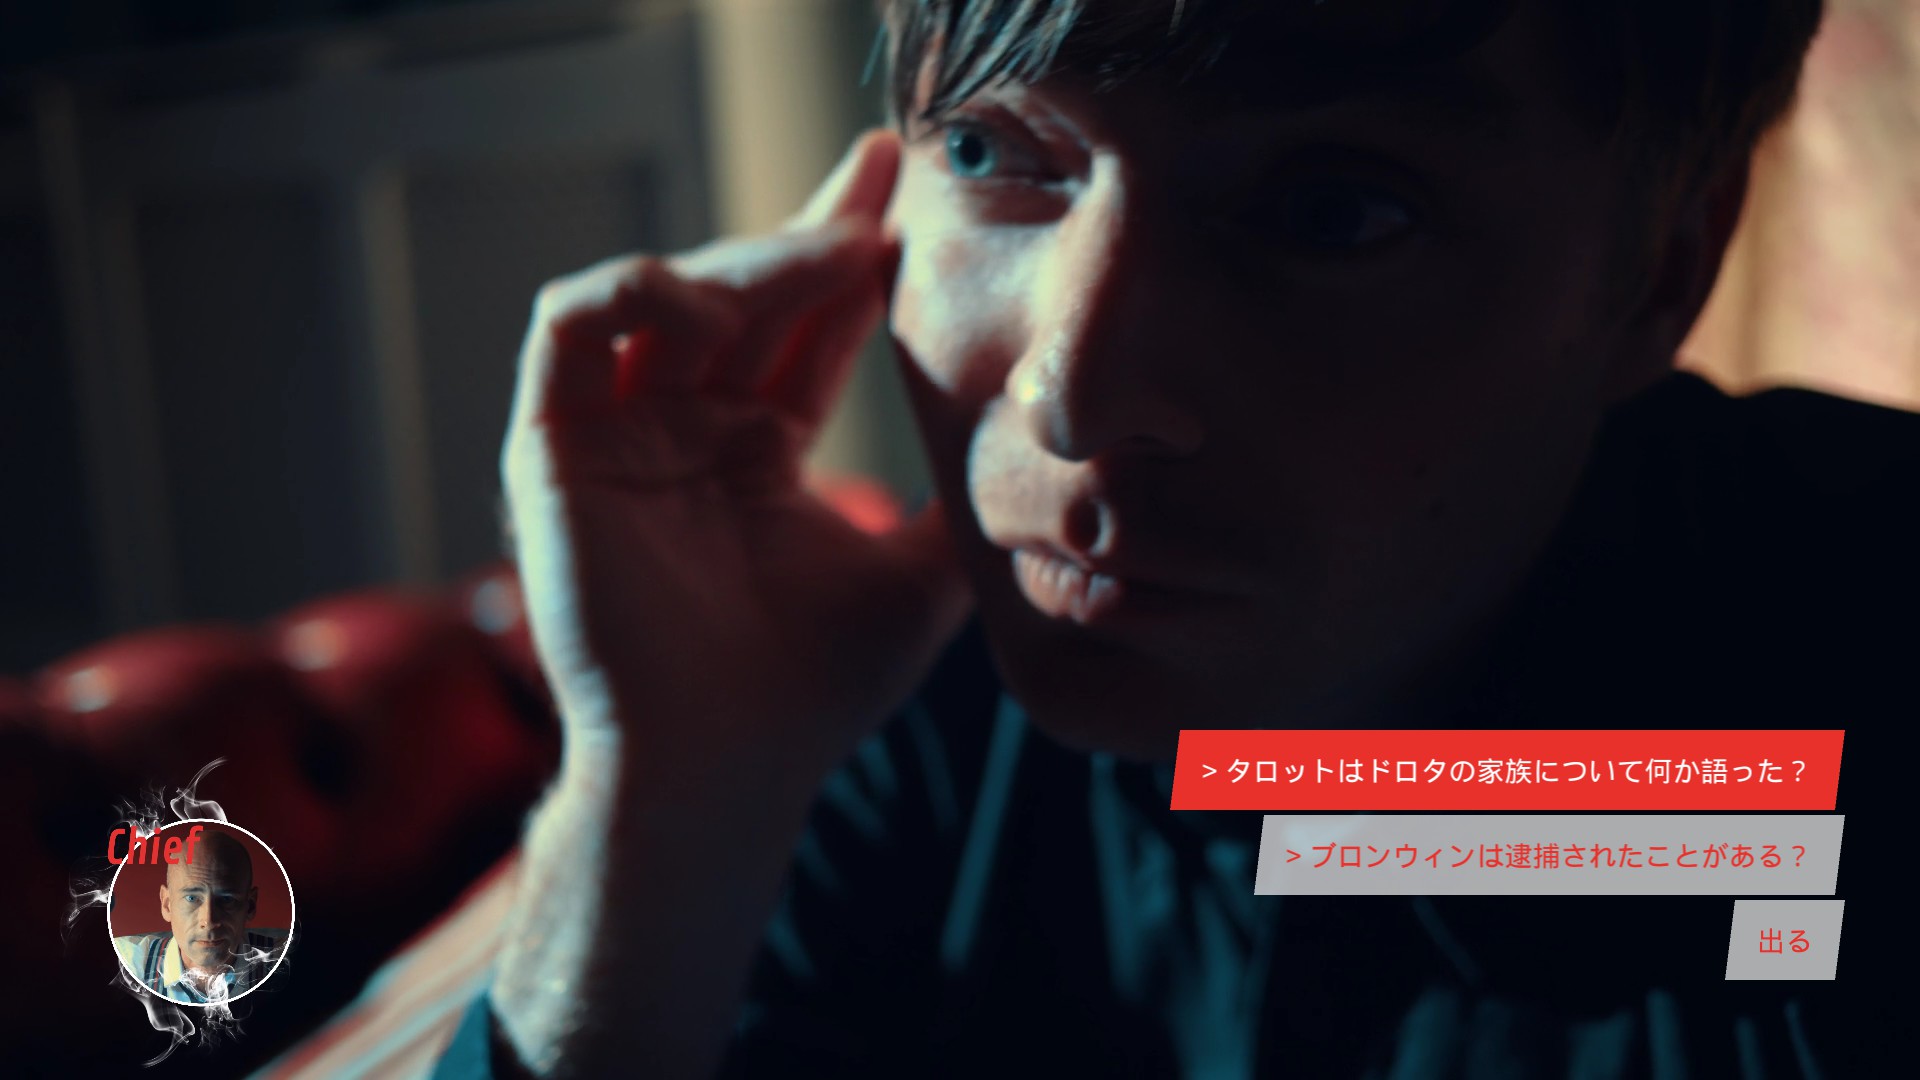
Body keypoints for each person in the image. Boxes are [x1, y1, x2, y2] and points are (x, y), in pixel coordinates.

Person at [435, 0, 1916, 1075]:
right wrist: (658, 806)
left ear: (1661, 267)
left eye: (1330, 213)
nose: (1069, 393)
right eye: (990, 149)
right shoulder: (900, 700)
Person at [111, 825, 288, 1005]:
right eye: (192, 898)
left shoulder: (284, 962)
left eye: (226, 899)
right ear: (167, 905)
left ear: (249, 906)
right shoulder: (126, 963)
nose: (209, 920)